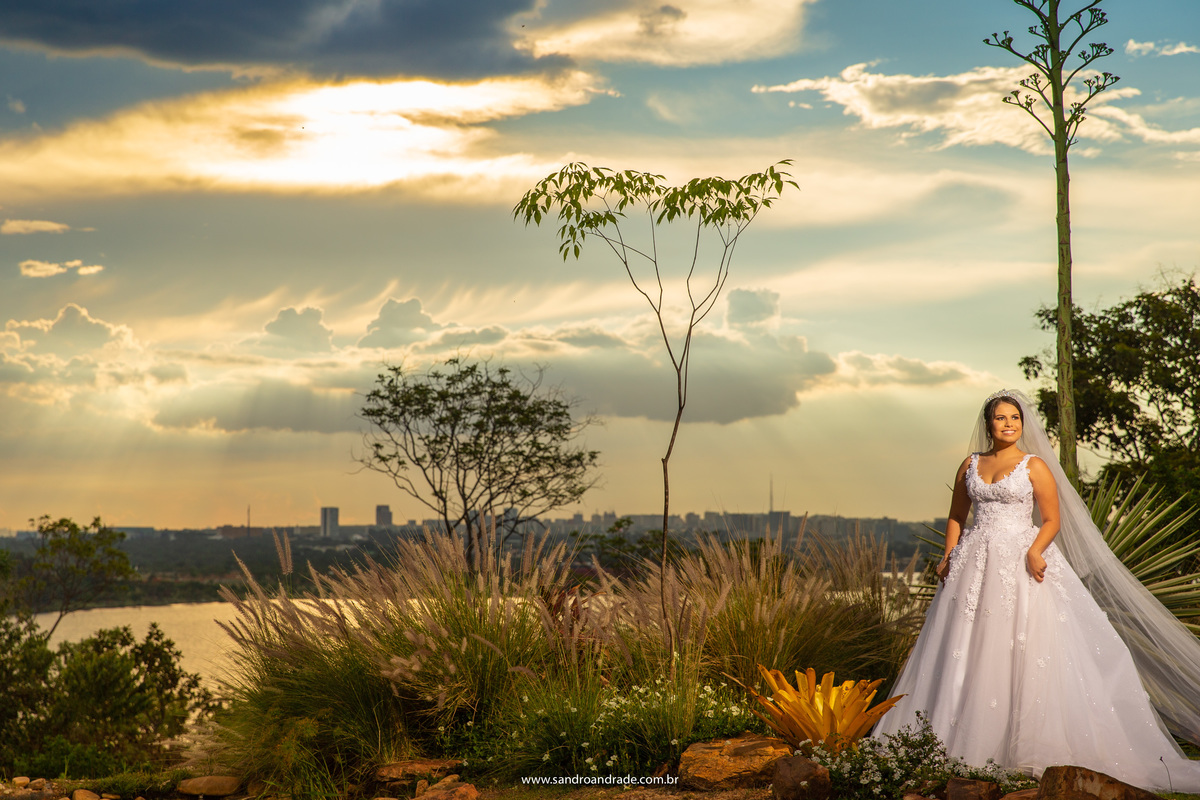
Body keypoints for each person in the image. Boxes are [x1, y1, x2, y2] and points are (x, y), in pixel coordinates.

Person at [872, 389, 1200, 791]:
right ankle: (948, 745)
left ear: (1022, 424)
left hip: (1020, 562)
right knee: (963, 646)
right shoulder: (970, 465)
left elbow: (1051, 519)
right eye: (1000, 418)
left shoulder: (1034, 466)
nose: (1008, 424)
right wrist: (948, 556)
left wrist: (1035, 551)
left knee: (1021, 648)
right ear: (988, 424)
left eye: (1015, 418)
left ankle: (1020, 752)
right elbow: (957, 516)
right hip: (973, 565)